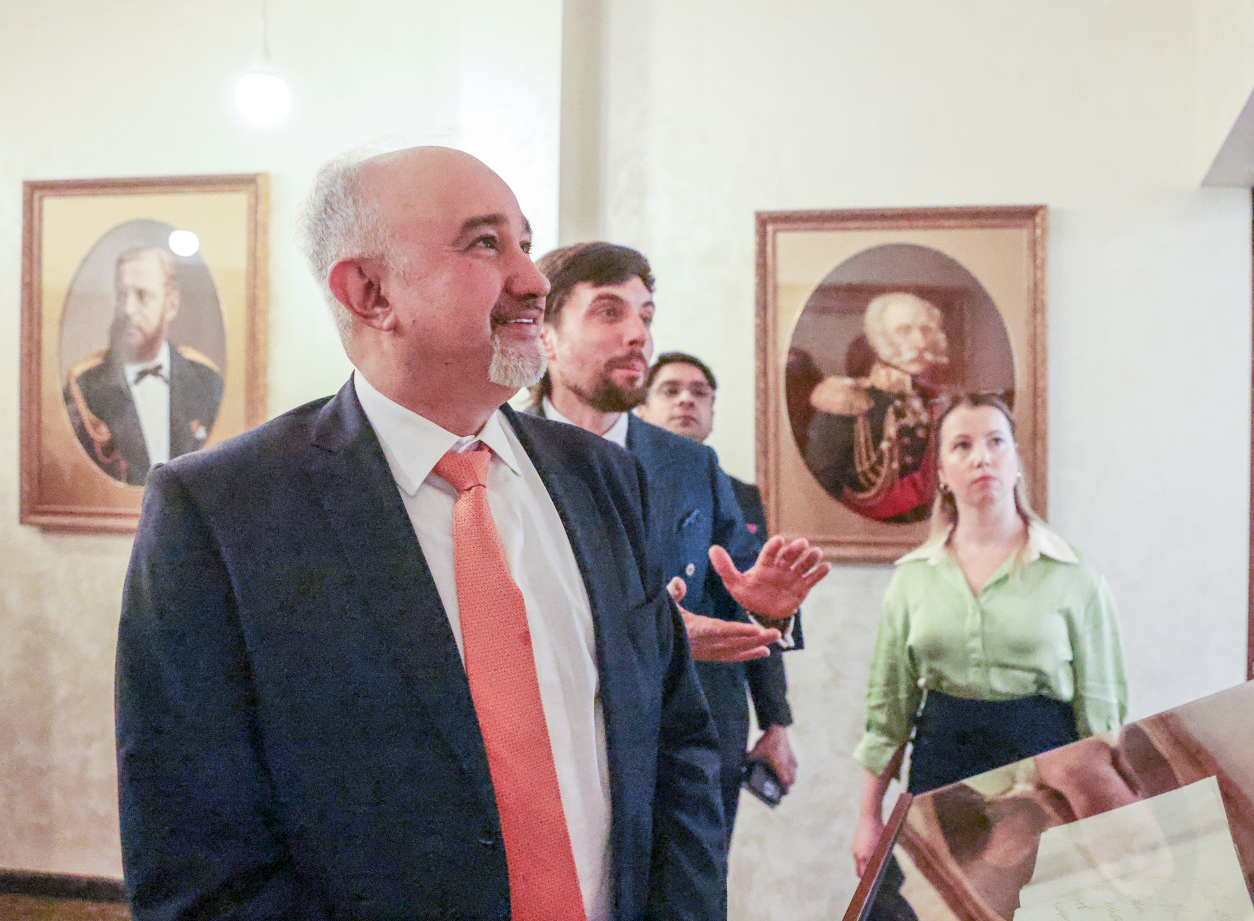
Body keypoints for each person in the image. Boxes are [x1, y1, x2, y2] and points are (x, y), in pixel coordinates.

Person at [116, 147, 820, 921]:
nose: (533, 278)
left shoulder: (602, 478)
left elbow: (674, 740)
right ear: (370, 291)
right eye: (486, 244)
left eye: (524, 240)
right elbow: (197, 854)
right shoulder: (224, 511)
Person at [528, 242, 827, 845]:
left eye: (646, 315)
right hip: (547, 753)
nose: (638, 333)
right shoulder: (494, 457)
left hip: (685, 758)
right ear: (545, 335)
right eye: (610, 312)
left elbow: (738, 591)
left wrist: (766, 607)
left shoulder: (693, 466)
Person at [849, 393, 1127, 877]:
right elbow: (887, 713)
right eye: (962, 445)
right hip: (941, 775)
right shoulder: (912, 579)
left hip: (1048, 772)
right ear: (941, 472)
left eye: (996, 442)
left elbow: (1103, 711)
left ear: (1016, 460)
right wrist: (868, 816)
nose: (982, 457)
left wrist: (1104, 813)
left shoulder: (1073, 575)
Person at [638, 350, 797, 800]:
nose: (686, 400)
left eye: (699, 393)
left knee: (709, 856)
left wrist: (775, 721)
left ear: (711, 412)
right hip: (636, 697)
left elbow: (755, 609)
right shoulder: (608, 477)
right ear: (641, 408)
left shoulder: (740, 496)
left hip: (717, 703)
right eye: (670, 391)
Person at [64, 245, 223, 485]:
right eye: (121, 295)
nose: (128, 310)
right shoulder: (84, 387)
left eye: (142, 296)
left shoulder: (205, 379)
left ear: (171, 305)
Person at [802, 291, 952, 524]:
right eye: (904, 331)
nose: (920, 343)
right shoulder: (846, 402)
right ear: (880, 339)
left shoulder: (936, 400)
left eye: (925, 330)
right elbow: (824, 487)